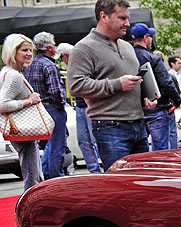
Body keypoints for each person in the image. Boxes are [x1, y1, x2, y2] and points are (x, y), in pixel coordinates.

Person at [68, 0, 156, 171]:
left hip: (138, 124)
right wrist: (117, 84)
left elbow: (132, 82)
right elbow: (76, 86)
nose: (127, 23)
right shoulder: (83, 48)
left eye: (127, 18)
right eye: (122, 18)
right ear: (104, 16)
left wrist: (144, 98)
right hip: (110, 127)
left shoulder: (127, 47)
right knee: (120, 186)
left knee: (142, 182)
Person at [0, 34, 44, 190]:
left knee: (32, 171)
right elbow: (2, 104)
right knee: (32, 174)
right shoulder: (13, 75)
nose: (29, 54)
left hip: (21, 129)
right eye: (24, 50)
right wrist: (30, 100)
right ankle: (32, 208)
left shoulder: (9, 72)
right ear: (13, 51)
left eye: (31, 50)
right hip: (23, 130)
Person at [23, 31, 68, 179]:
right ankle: (56, 176)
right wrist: (61, 106)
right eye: (53, 44)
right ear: (49, 48)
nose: (55, 47)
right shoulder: (49, 65)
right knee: (57, 145)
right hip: (52, 108)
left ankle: (46, 174)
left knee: (48, 144)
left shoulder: (29, 65)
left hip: (37, 108)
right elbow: (55, 91)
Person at [131, 23, 181, 152]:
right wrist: (176, 101)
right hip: (156, 109)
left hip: (135, 110)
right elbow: (166, 82)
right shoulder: (152, 58)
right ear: (146, 38)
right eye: (150, 37)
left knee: (139, 149)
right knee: (161, 149)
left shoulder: (128, 57)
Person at [57, 43, 102, 172]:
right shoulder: (75, 65)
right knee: (84, 140)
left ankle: (99, 167)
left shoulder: (83, 62)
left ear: (67, 55)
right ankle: (94, 169)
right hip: (82, 105)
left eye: (62, 58)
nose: (62, 61)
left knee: (93, 139)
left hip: (89, 105)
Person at [167, 55, 181, 149]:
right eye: (179, 63)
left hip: (178, 105)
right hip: (174, 105)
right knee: (172, 132)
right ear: (172, 64)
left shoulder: (179, 75)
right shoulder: (170, 75)